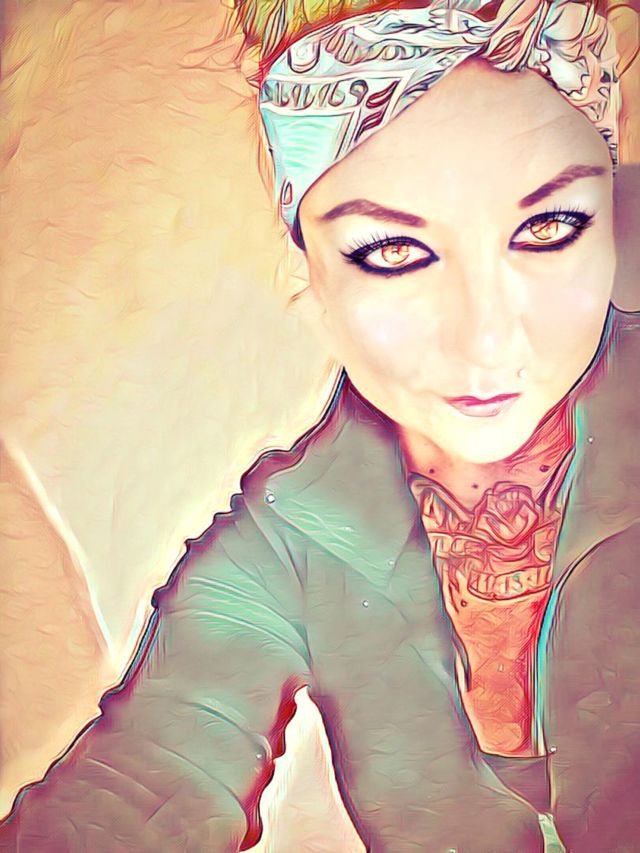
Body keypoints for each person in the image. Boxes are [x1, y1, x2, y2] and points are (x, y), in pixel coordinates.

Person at [1, 0, 638, 850]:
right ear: (310, 279)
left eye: (551, 227)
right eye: (392, 251)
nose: (487, 340)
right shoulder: (291, 529)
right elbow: (143, 784)